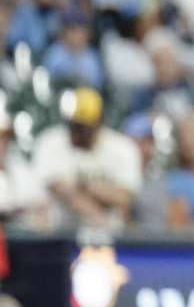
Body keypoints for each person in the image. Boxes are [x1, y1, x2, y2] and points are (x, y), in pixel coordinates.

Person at [32, 87, 142, 229]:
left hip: (114, 236)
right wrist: (99, 216)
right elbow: (62, 190)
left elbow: (124, 198)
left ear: (98, 123)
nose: (76, 132)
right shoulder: (51, 141)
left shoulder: (122, 148)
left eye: (82, 127)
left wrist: (84, 185)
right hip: (60, 234)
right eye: (74, 125)